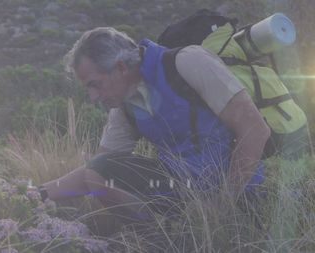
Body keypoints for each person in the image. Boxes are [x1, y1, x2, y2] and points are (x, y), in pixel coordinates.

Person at [37, 27, 270, 222]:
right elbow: (95, 169)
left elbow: (255, 130)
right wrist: (39, 194)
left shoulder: (188, 62)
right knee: (100, 171)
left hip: (237, 191)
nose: (93, 97)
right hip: (181, 191)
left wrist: (222, 203)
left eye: (95, 84)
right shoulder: (124, 107)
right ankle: (158, 239)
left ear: (120, 67)